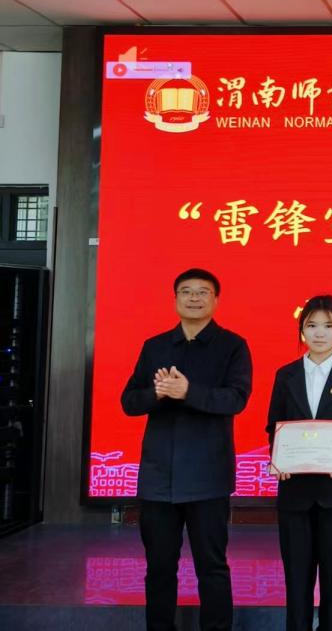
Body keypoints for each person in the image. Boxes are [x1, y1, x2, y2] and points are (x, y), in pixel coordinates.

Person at [120, 267, 252, 631]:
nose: (194, 298)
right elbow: (129, 402)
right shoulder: (155, 346)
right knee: (159, 567)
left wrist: (188, 392)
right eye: (186, 291)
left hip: (208, 478)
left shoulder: (233, 346)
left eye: (202, 292)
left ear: (216, 300)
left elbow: (236, 399)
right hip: (158, 477)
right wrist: (158, 393)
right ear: (175, 298)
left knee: (212, 567)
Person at [265, 295, 332, 631]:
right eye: (312, 325)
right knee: (296, 581)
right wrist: (279, 457)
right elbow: (275, 425)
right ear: (302, 330)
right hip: (295, 494)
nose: (320, 333)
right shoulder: (286, 374)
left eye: (328, 325)